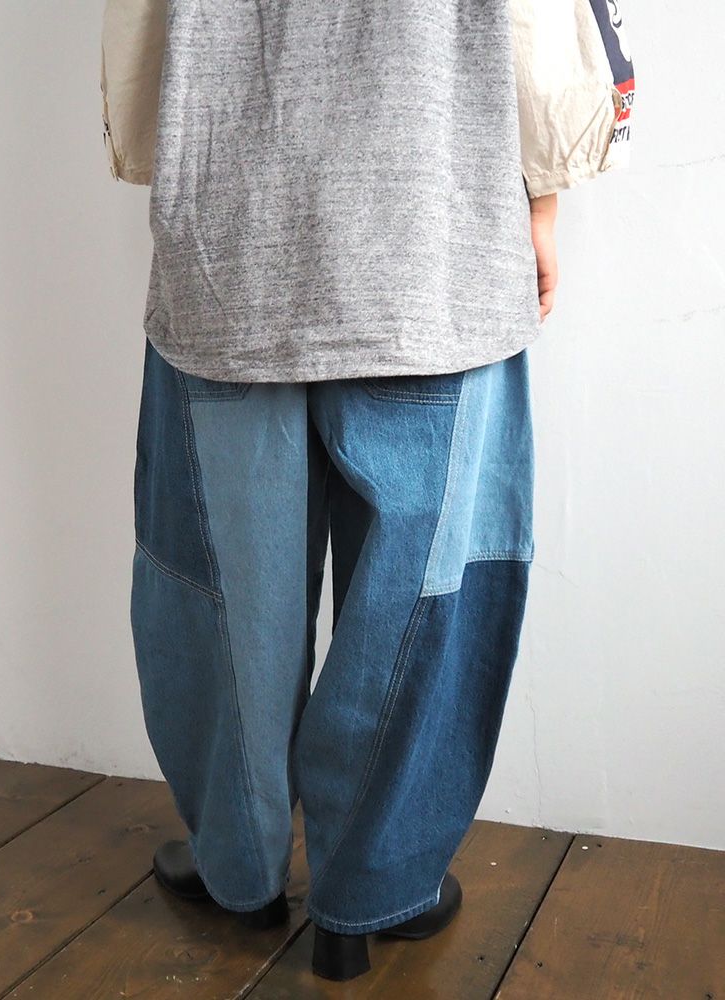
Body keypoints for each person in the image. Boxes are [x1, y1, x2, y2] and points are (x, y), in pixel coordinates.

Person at [100, 0, 634, 982]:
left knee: (224, 587)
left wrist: (154, 148)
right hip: (433, 221)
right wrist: (546, 192)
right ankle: (372, 886)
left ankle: (239, 867)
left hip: (230, 220)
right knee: (422, 591)